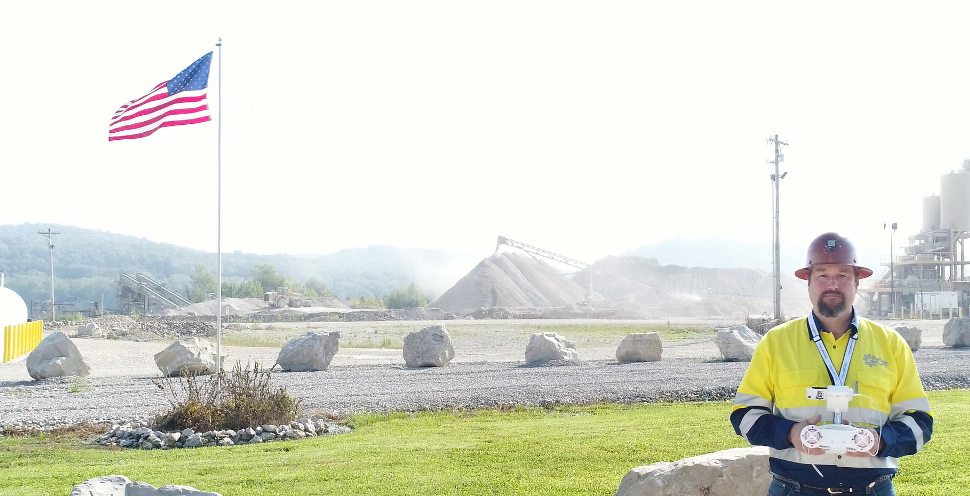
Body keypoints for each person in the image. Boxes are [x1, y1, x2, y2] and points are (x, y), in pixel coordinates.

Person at [730, 232, 933, 495]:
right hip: (794, 488)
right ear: (809, 282)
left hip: (872, 489)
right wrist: (790, 433)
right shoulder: (776, 343)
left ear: (857, 282)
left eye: (842, 275)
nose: (832, 284)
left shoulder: (890, 344)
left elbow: (920, 423)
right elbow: (744, 416)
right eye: (823, 275)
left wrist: (879, 441)